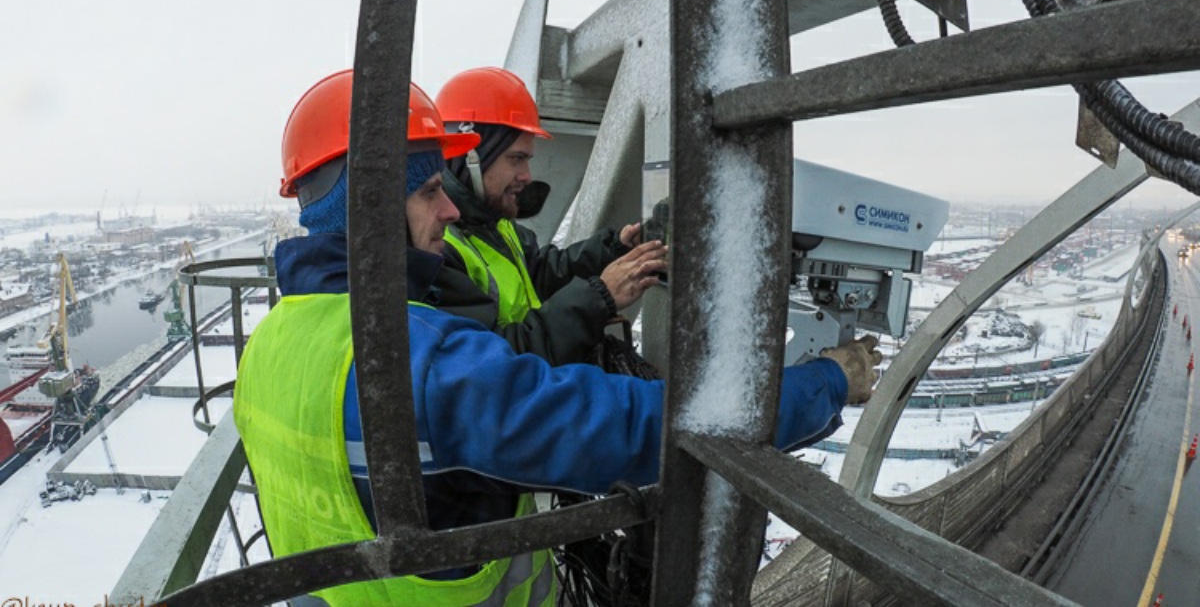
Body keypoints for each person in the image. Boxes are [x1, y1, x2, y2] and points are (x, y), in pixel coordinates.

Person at [234, 69, 883, 606]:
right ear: (371, 206)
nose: (450, 211)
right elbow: (654, 429)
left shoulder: (266, 346)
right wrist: (827, 380)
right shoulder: (421, 368)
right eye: (431, 190)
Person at [434, 67, 665, 366]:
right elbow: (496, 362)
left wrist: (613, 248)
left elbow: (542, 274)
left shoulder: (497, 225)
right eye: (516, 159)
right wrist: (599, 297)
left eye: (527, 160)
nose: (526, 176)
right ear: (470, 156)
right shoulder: (436, 249)